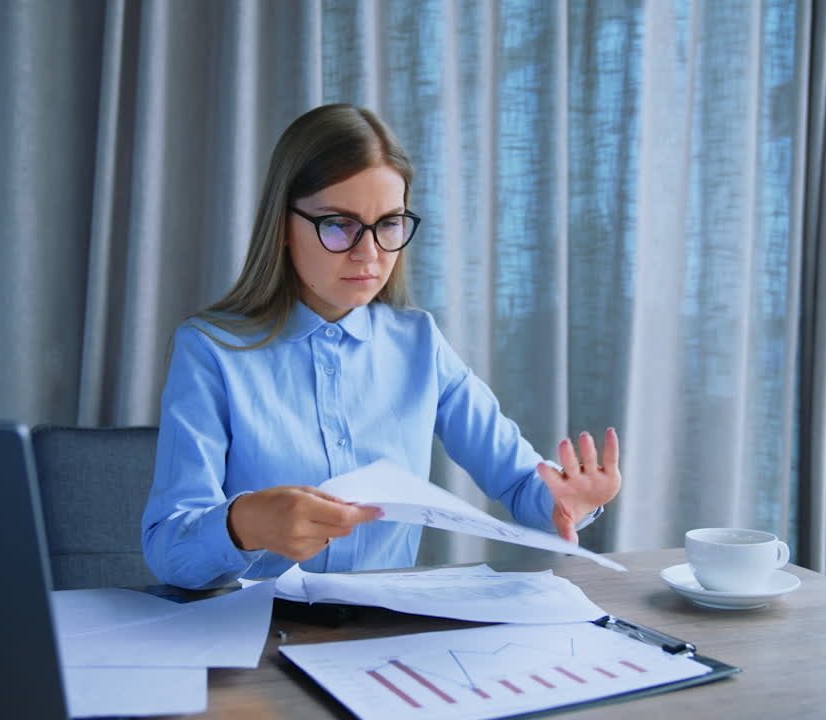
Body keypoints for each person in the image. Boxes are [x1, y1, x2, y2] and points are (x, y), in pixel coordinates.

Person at [142, 104, 621, 589]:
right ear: (283, 227)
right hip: (254, 627)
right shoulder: (211, 351)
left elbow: (520, 484)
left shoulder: (420, 343)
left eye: (389, 224)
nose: (369, 254)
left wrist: (567, 501)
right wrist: (245, 524)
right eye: (338, 224)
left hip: (386, 625)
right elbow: (168, 550)